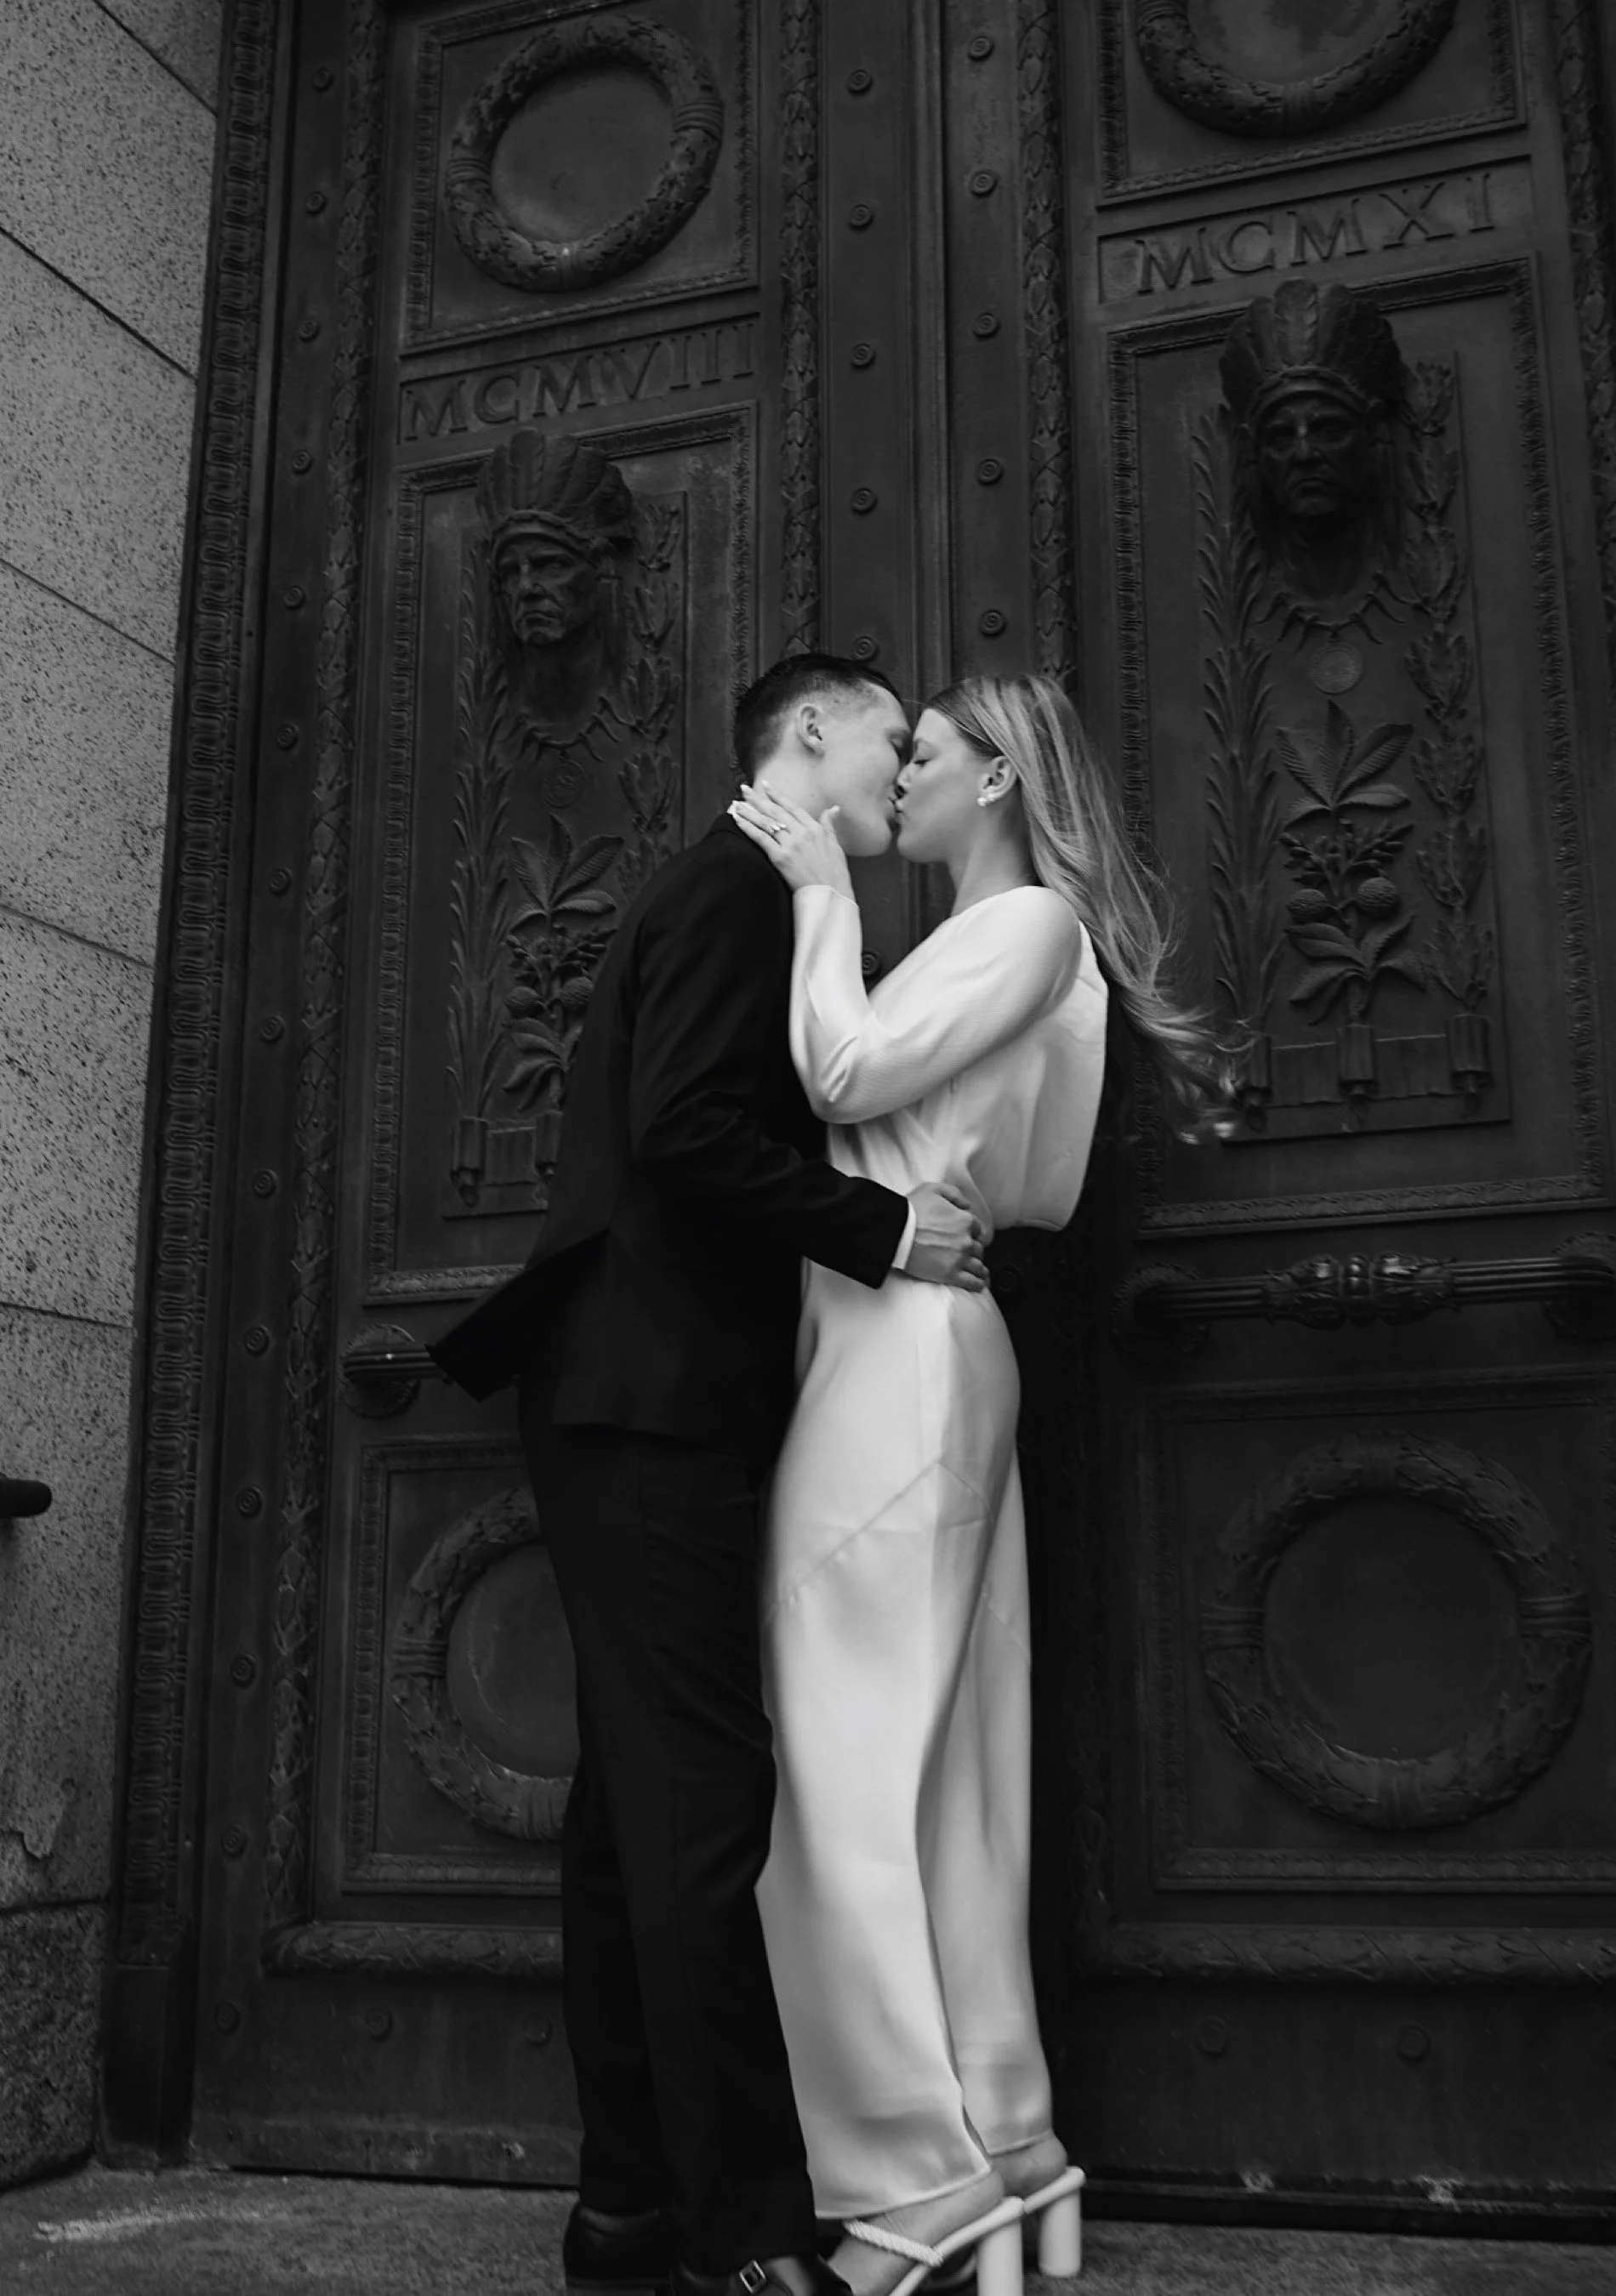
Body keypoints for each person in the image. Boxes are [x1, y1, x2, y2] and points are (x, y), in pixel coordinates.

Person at [430, 655, 989, 2296]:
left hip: (633, 1399)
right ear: (809, 734)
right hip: (649, 1401)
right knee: (694, 1817)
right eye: (892, 735)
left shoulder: (749, 892)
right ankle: (745, 2237)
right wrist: (886, 1231)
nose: (902, 768)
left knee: (633, 1819)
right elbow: (686, 1129)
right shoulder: (736, 890)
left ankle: (627, 2213)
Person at [728, 673, 1226, 2296]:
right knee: (941, 1775)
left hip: (904, 1356)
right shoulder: (1002, 939)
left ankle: (906, 2178)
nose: (903, 777)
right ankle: (1004, 2146)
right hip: (923, 1343)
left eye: (925, 753)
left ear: (996, 774)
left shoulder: (1019, 931)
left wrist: (813, 898)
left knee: (841, 1767)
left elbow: (843, 1075)